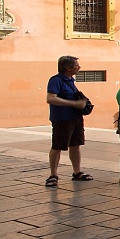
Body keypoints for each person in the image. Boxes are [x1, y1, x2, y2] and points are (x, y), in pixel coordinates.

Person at [45, 55, 92, 187]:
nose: (79, 67)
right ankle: (53, 175)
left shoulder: (71, 80)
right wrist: (73, 103)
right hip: (62, 119)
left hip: (75, 118)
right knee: (57, 146)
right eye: (77, 65)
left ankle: (77, 172)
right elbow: (51, 98)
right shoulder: (56, 80)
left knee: (75, 145)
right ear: (68, 67)